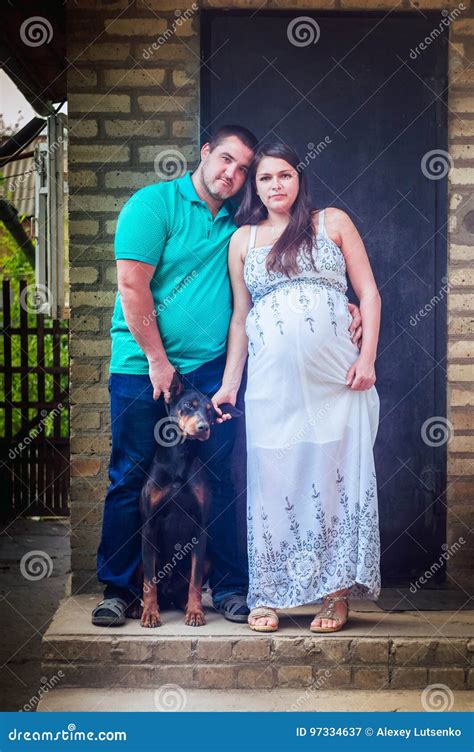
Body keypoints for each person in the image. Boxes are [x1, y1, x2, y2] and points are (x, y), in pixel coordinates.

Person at [92, 126, 364, 627]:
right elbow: (132, 284)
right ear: (204, 153)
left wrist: (335, 300)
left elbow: (275, 278)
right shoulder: (153, 205)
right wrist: (157, 359)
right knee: (129, 474)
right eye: (226, 161)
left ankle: (233, 589)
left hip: (210, 372)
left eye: (243, 170)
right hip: (142, 367)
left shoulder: (239, 225)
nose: (232, 175)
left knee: (222, 477)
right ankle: (119, 589)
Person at [211, 141, 381, 633]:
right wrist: (228, 386)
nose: (276, 185)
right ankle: (269, 592)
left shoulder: (332, 222)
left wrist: (367, 357)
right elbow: (241, 318)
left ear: (299, 179)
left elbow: (367, 293)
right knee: (275, 482)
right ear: (255, 186)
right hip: (272, 388)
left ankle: (334, 597)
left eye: (284, 175)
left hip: (337, 383)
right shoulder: (243, 239)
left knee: (334, 480)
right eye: (265, 178)